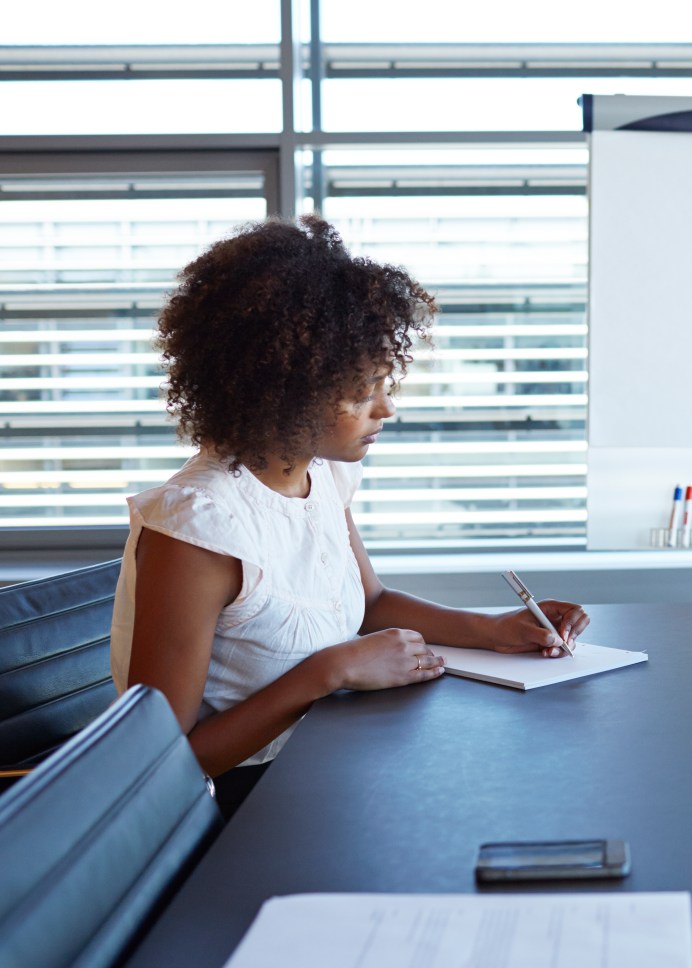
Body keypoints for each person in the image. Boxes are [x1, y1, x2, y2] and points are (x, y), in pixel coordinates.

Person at [109, 215, 589, 818]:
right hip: (246, 809)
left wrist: (492, 629)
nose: (387, 408)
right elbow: (165, 763)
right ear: (285, 388)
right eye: (363, 391)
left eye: (386, 383)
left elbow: (370, 601)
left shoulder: (323, 475)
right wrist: (329, 670)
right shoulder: (200, 527)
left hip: (335, 760)